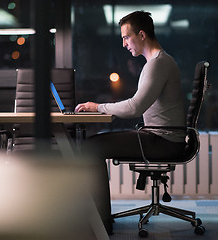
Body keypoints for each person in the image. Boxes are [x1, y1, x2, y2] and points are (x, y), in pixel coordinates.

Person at [75, 11, 186, 235]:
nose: (124, 44)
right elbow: (136, 104)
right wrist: (106, 108)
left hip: (163, 140)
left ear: (142, 35)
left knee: (91, 146)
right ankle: (99, 217)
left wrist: (98, 107)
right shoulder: (156, 63)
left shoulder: (158, 64)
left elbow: (136, 107)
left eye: (126, 37)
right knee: (93, 144)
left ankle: (101, 222)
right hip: (161, 136)